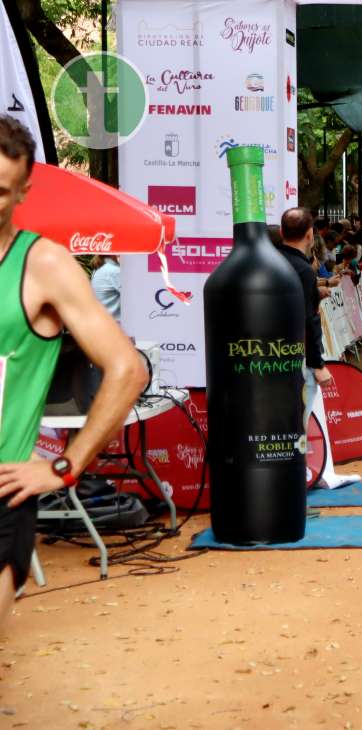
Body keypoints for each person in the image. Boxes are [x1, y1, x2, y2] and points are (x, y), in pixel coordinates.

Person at [0, 116, 147, 625]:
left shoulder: (43, 265)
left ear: (23, 193)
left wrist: (65, 466)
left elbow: (128, 370)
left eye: (0, 190)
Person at [278, 207, 361, 489]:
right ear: (311, 235)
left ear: (281, 233)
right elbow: (309, 320)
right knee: (306, 412)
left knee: (293, 414)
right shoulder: (301, 269)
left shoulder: (276, 264)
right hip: (300, 355)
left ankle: (315, 470)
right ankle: (315, 471)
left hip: (274, 354)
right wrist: (318, 364)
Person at [89, 254, 121, 320]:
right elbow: (132, 298)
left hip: (102, 321)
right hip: (114, 324)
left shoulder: (99, 268)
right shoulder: (114, 271)